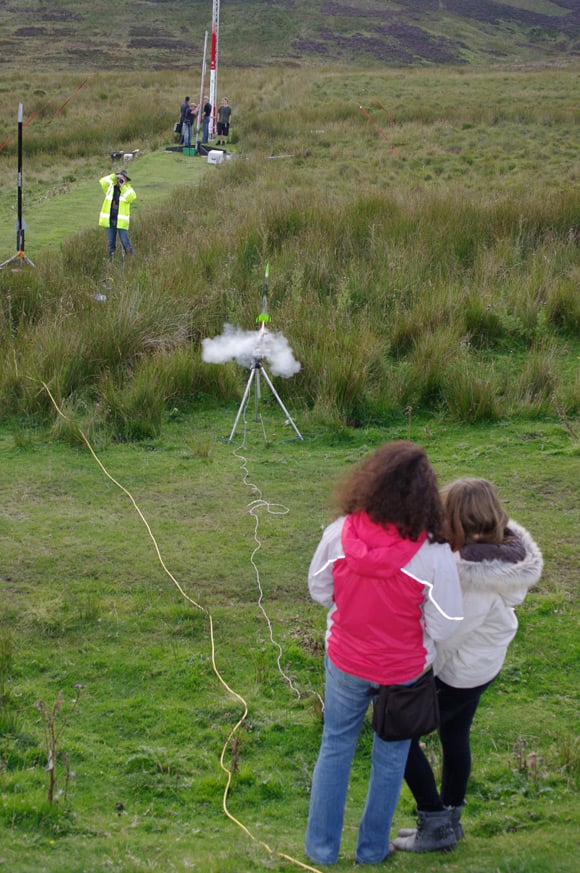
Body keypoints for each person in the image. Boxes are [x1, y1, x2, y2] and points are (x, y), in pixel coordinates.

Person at [305, 441, 463, 866]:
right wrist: (421, 643)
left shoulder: (338, 533)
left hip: (346, 661)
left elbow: (319, 589)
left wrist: (353, 613)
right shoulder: (433, 555)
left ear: (371, 481)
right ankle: (372, 851)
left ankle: (321, 853)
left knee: (335, 748)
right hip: (404, 672)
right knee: (390, 761)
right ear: (426, 493)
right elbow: (447, 623)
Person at [394, 477, 543, 853]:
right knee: (455, 735)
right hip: (482, 663)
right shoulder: (501, 553)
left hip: (459, 670)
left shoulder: (470, 578)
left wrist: (413, 674)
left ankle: (435, 823)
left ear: (459, 520)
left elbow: (448, 634)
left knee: (399, 734)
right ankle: (451, 820)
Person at [98, 170, 137, 258]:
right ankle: (111, 262)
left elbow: (130, 198)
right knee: (110, 244)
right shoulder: (110, 187)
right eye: (119, 178)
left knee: (125, 242)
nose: (121, 180)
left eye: (123, 179)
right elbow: (102, 181)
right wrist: (114, 176)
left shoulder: (128, 189)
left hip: (121, 223)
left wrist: (123, 187)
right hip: (110, 220)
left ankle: (132, 260)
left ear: (126, 180)